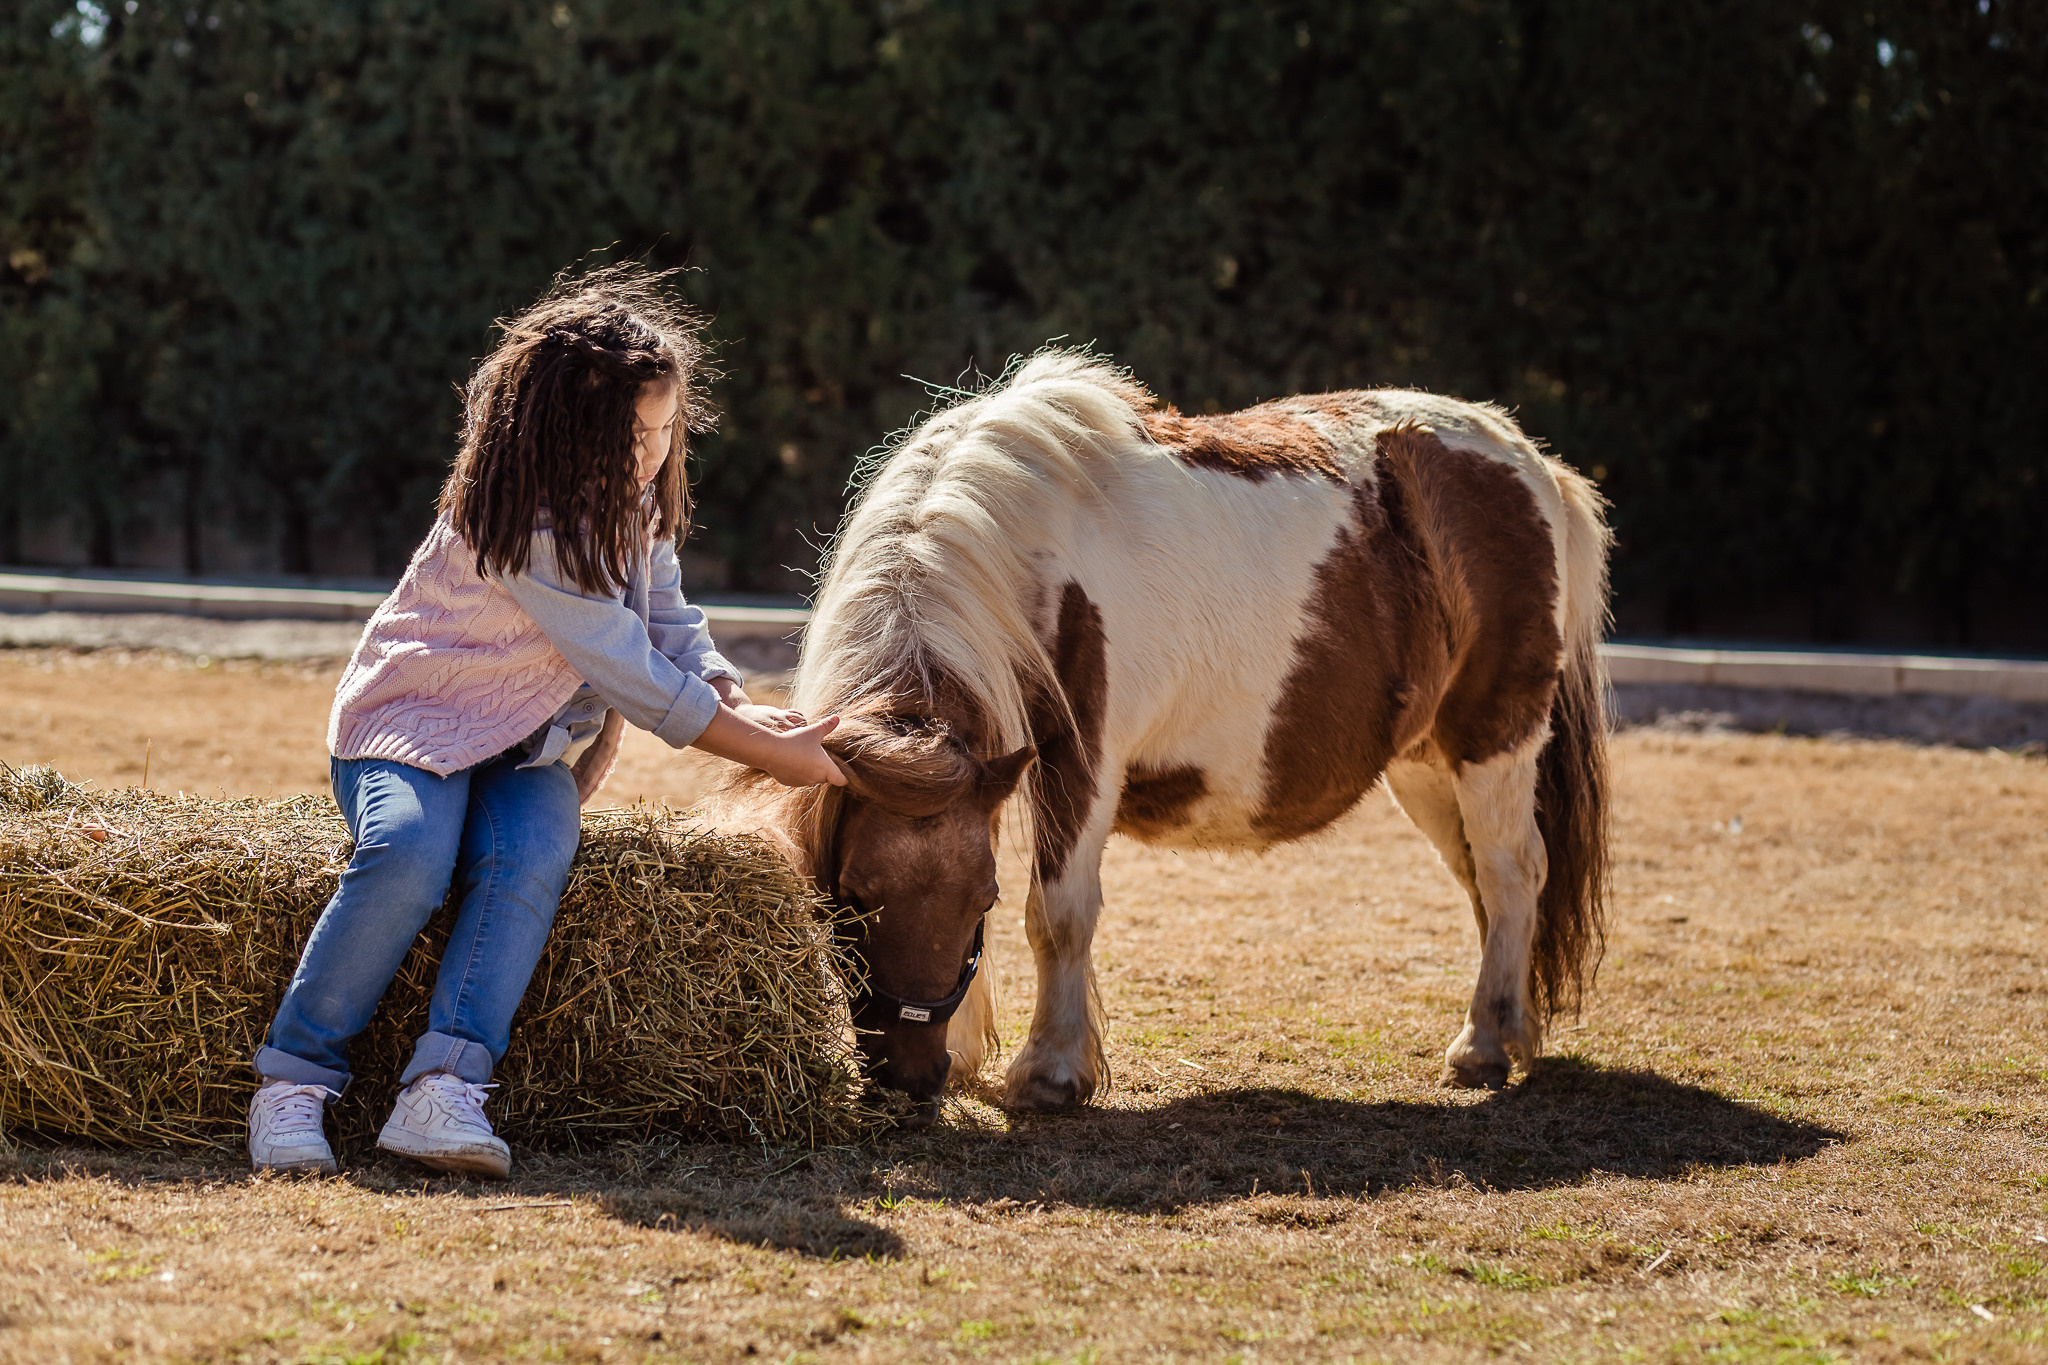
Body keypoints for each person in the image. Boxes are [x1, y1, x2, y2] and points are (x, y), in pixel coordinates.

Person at [246, 266, 843, 1178]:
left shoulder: (634, 502)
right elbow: (632, 672)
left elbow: (669, 621)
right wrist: (773, 754)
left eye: (664, 430)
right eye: (631, 436)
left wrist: (734, 693)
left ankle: (443, 1087)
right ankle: (295, 1080)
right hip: (413, 728)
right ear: (564, 430)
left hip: (525, 747)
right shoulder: (528, 520)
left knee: (531, 852)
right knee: (410, 854)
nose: (651, 454)